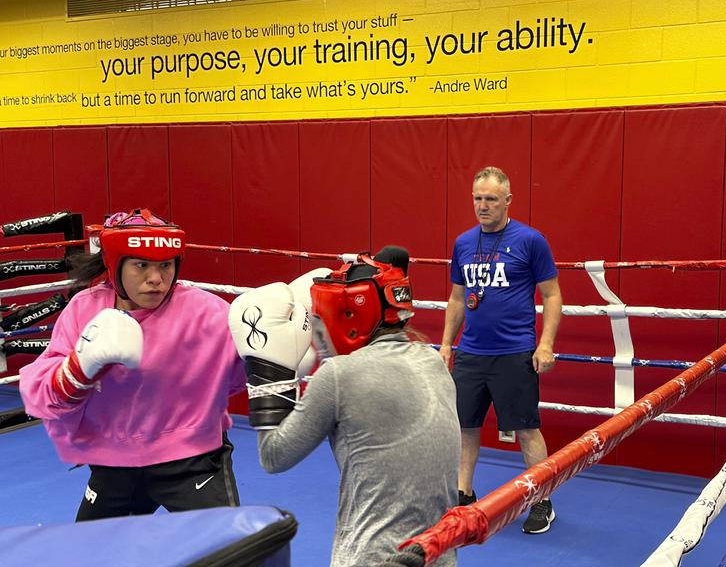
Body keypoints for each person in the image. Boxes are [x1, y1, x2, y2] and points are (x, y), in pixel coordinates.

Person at [228, 246, 460, 567]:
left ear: (349, 319)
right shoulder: (432, 361)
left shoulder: (340, 375)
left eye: (320, 325)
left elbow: (273, 457)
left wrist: (270, 373)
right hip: (437, 556)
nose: (317, 340)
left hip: (372, 559)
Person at [19, 209, 246, 521]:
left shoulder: (205, 311)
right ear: (115, 266)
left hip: (192, 457)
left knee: (229, 551)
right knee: (89, 554)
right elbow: (41, 396)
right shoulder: (85, 309)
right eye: (141, 265)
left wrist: (281, 352)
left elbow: (239, 377)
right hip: (115, 460)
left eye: (165, 265)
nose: (156, 279)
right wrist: (76, 371)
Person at [440, 166, 563, 535]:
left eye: (491, 199)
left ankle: (542, 500)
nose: (482, 206)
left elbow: (552, 295)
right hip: (472, 353)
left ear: (507, 201)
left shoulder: (530, 240)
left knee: (526, 430)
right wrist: (447, 343)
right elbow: (457, 299)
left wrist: (545, 344)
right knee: (465, 427)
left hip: (515, 352)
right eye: (477, 198)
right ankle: (463, 495)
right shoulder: (463, 243)